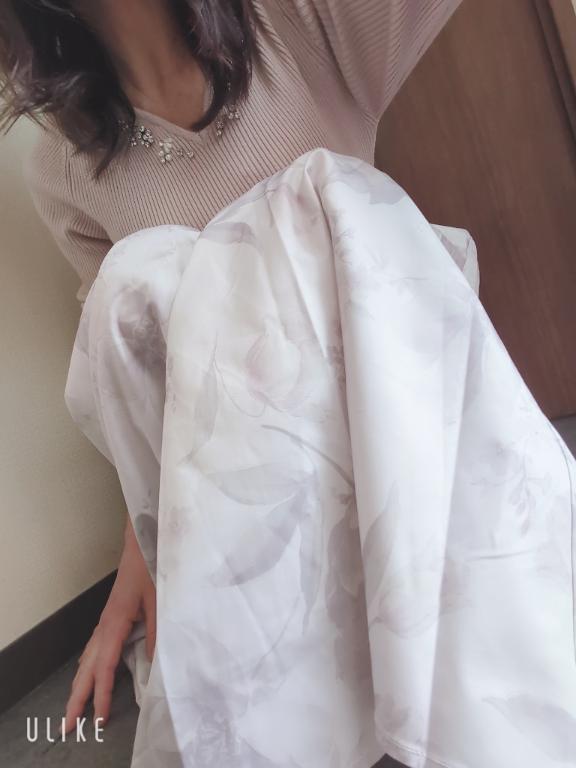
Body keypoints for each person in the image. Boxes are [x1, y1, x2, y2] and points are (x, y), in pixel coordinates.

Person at [0, 0, 462, 740]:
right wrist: (147, 549)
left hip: (397, 449)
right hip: (260, 514)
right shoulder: (64, 172)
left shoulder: (304, 24)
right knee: (134, 284)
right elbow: (148, 388)